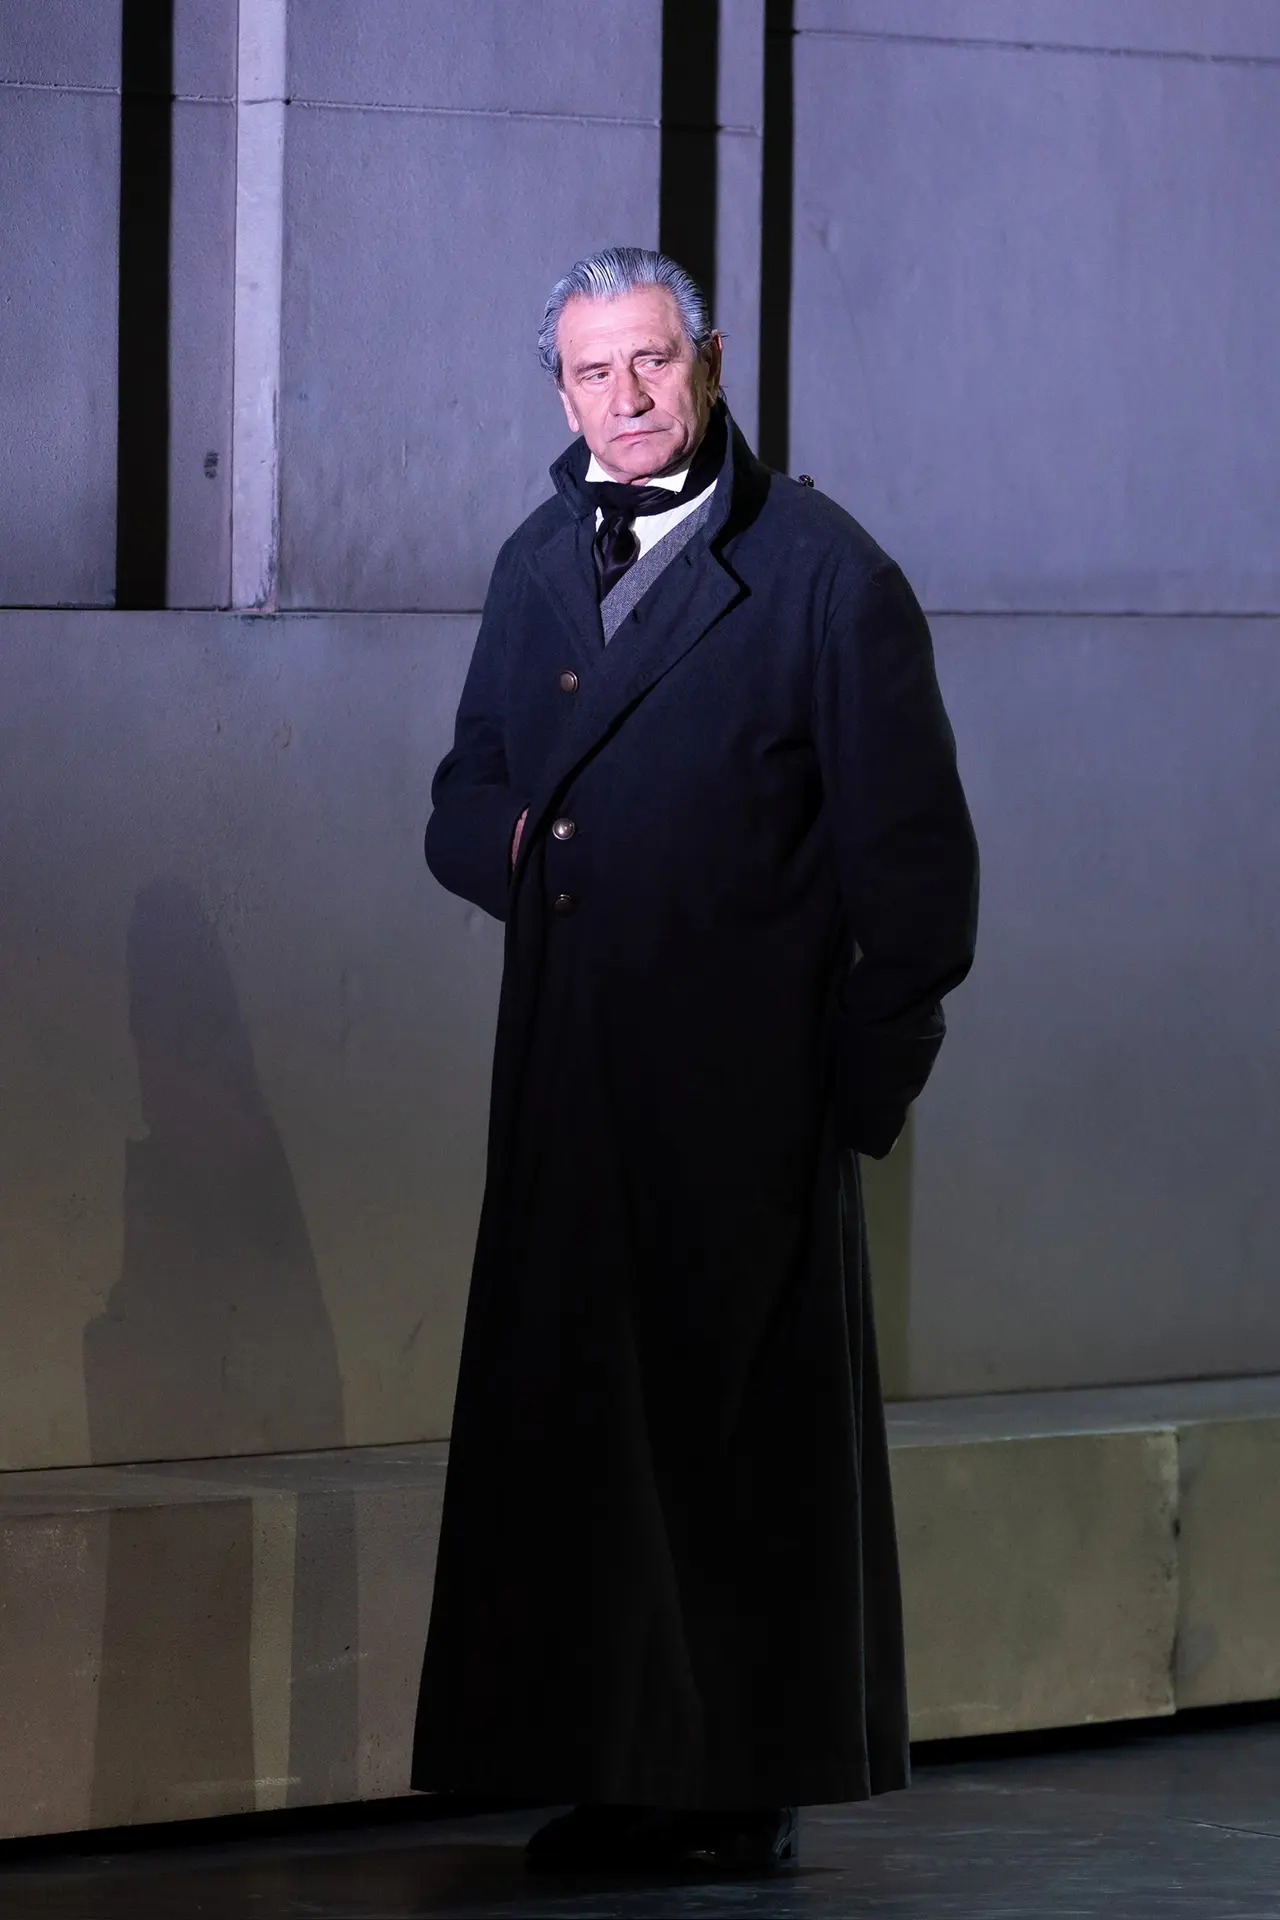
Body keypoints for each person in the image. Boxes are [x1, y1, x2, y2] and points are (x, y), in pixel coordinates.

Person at [412, 246, 978, 1873]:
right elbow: (464, 792)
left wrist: (846, 1104)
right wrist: (519, 843)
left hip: (744, 1103)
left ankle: (735, 1794)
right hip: (568, 1080)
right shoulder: (537, 559)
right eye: (594, 372)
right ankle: (616, 1768)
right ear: (561, 392)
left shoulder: (825, 575)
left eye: (653, 362)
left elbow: (918, 883)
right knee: (582, 1438)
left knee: (734, 1455)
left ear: (710, 365)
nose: (628, 396)